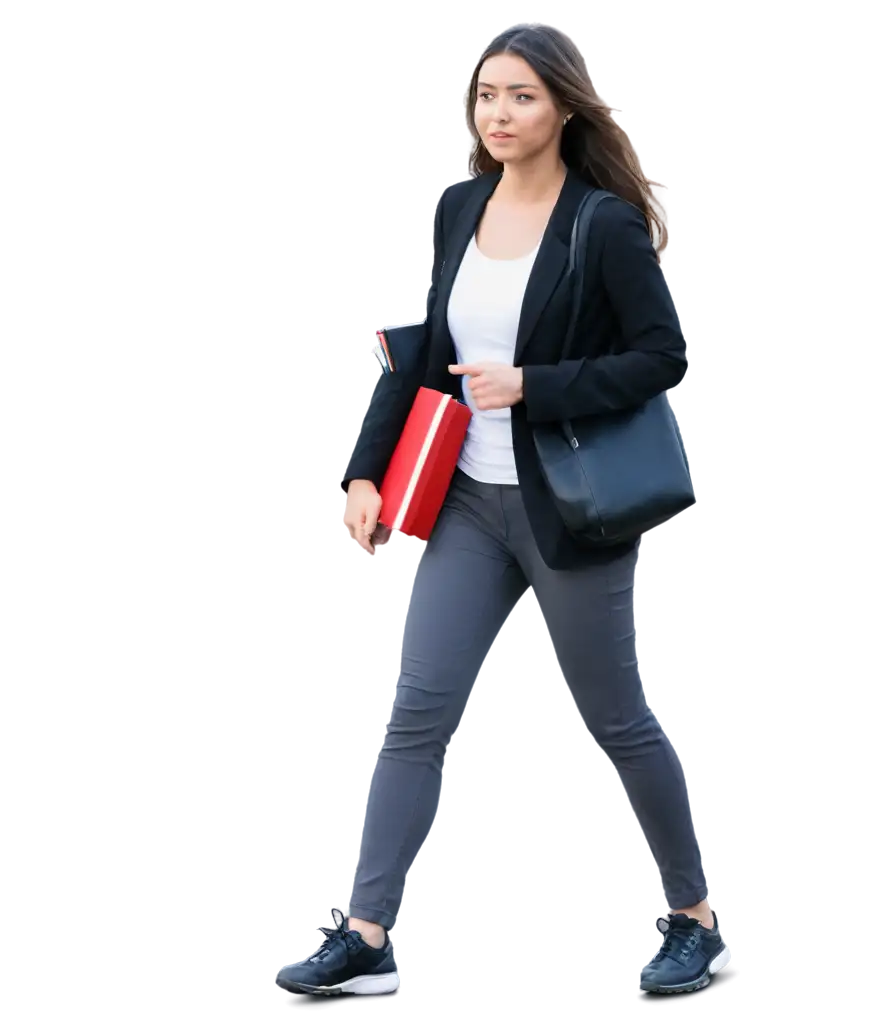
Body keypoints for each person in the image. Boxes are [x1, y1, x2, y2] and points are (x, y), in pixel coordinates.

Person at [276, 20, 732, 1000]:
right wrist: (362, 473)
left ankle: (694, 917)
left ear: (564, 106)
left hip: (568, 508)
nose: (501, 113)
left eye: (521, 95)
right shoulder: (458, 207)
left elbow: (660, 356)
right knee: (415, 713)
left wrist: (534, 383)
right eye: (487, 94)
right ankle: (365, 932)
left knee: (615, 720)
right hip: (466, 507)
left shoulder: (600, 223)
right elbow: (424, 348)